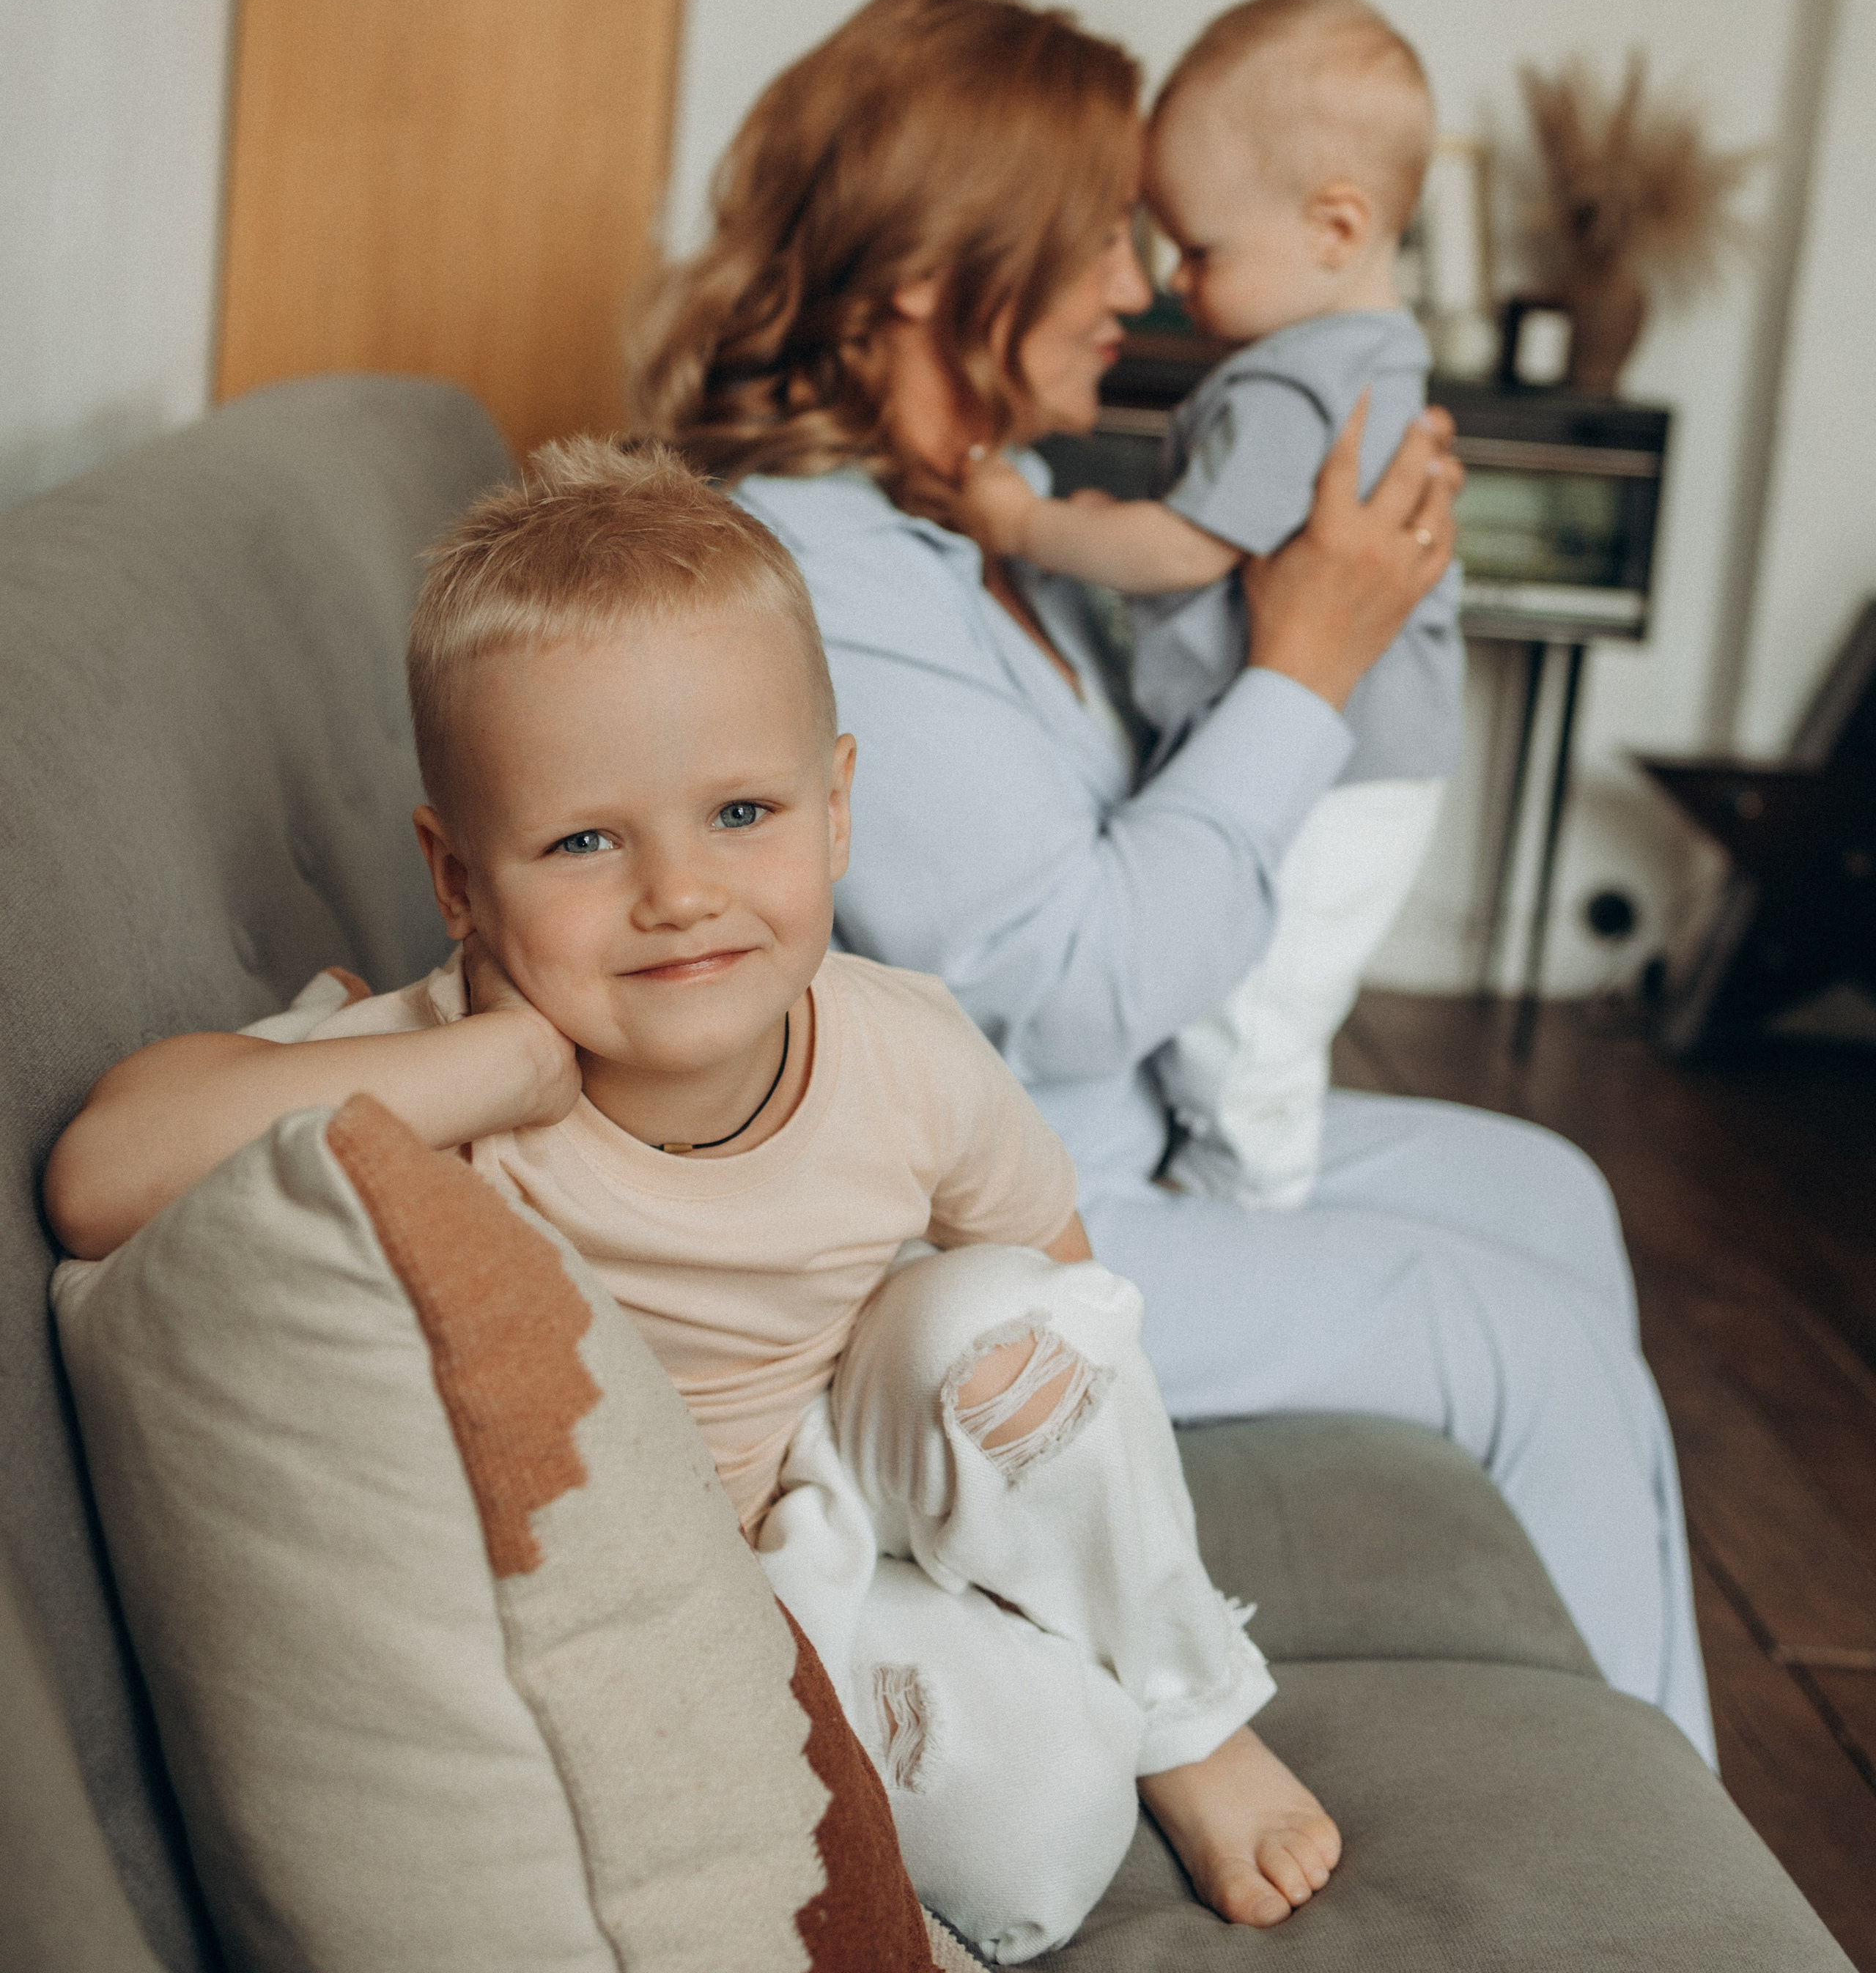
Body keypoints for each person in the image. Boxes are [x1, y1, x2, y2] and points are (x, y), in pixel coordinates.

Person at [44, 442, 1343, 1965]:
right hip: (724, 1598)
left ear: (835, 808)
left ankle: (1189, 1712)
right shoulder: (433, 1070)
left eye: (740, 812)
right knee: (1038, 1834)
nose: (677, 892)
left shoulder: (907, 1050)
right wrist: (496, 1065)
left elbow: (1070, 1307)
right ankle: (1020, 1695)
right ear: (457, 881)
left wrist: (1066, 1525)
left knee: (1003, 1320)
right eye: (585, 841)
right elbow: (99, 1178)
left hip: (852, 1451)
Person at [632, 0, 1716, 1766]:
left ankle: (1594, 1760)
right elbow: (1077, 979)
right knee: (1527, 1349)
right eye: (1098, 236)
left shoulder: (983, 509)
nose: (1137, 287)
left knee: (1550, 1196)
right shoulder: (816, 580)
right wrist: (1309, 664)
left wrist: (1306, 594)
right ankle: (1658, 1866)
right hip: (1006, 1217)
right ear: (933, 272)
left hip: (1134, 1126)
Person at [956, 0, 1462, 1213]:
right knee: (1265, 992)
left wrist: (1029, 524)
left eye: (1199, 249)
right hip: (1355, 760)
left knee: (1249, 1007)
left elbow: (1187, 549)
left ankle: (1246, 1198)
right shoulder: (1360, 362)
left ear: (1335, 229)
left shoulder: (1296, 385)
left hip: (1332, 768)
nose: (1172, 282)